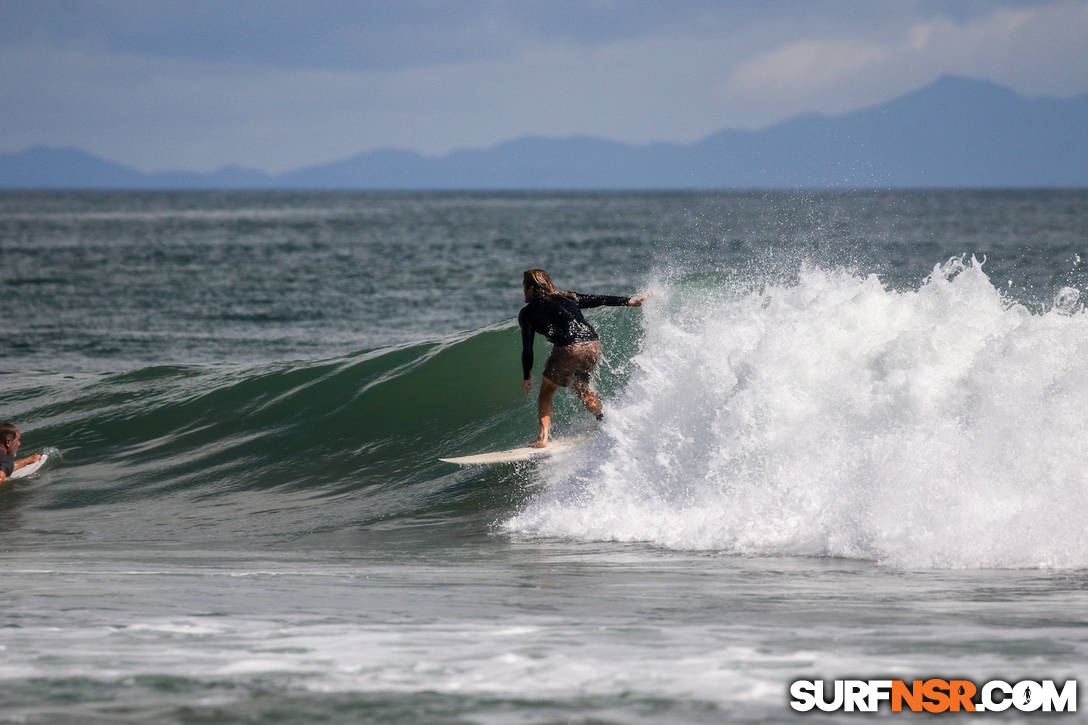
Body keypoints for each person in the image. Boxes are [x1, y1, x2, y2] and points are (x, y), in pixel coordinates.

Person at [518, 269, 649, 448]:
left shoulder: (527, 313)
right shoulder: (568, 296)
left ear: (529, 289)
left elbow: (527, 348)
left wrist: (526, 376)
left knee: (546, 391)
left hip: (569, 348)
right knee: (581, 387)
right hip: (592, 345)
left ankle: (543, 438)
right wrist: (629, 301)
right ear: (548, 283)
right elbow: (598, 299)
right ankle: (604, 421)